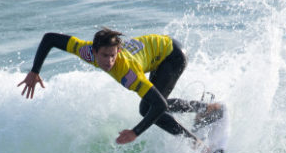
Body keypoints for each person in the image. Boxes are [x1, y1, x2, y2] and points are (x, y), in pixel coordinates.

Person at [18, 28, 222, 145]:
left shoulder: (127, 72)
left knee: (148, 107)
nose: (109, 61)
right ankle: (204, 108)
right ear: (94, 51)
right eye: (104, 56)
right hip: (158, 54)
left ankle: (195, 143)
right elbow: (50, 38)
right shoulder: (85, 51)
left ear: (118, 53)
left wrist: (135, 132)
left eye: (113, 56)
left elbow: (159, 106)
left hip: (172, 55)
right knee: (152, 103)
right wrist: (35, 71)